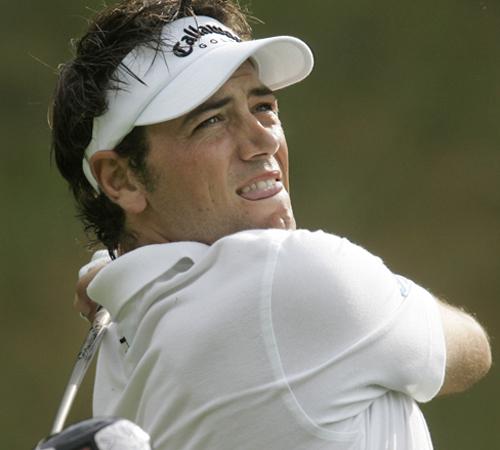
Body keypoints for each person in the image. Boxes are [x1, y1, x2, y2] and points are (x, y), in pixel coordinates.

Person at [52, 1, 492, 449]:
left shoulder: (119, 328)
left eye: (263, 106)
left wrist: (121, 280)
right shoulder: (291, 276)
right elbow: (472, 351)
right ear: (121, 178)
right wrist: (371, 290)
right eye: (210, 121)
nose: (264, 139)